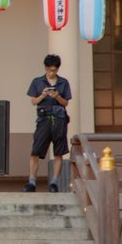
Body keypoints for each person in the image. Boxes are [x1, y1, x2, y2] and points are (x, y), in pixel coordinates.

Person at [25, 54, 72, 193]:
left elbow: (66, 103)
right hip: (43, 119)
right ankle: (32, 182)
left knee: (59, 152)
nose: (52, 73)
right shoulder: (37, 81)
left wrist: (57, 96)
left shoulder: (63, 82)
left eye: (54, 70)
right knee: (35, 151)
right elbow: (33, 101)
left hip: (59, 119)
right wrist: (43, 95)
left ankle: (54, 183)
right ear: (45, 68)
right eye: (50, 70)